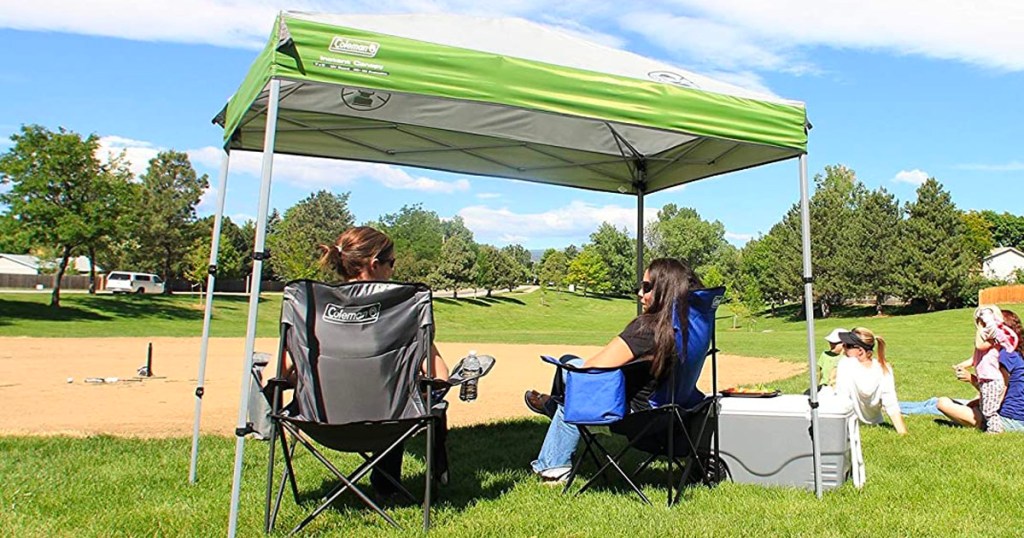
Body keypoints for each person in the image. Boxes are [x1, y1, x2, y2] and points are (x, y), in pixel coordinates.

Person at [281, 226, 451, 498]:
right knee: (404, 392)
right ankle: (391, 482)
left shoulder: (310, 307)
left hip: (319, 422)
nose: (393, 271)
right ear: (374, 264)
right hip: (390, 425)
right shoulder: (401, 309)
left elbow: (273, 376)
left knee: (394, 389)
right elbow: (439, 376)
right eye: (391, 263)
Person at [524, 258, 702, 483]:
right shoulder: (690, 329)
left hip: (634, 417)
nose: (639, 293)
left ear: (665, 291)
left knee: (571, 371)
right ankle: (555, 404)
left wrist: (569, 376)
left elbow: (590, 369)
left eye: (647, 287)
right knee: (571, 367)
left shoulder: (648, 329)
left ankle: (553, 465)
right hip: (674, 414)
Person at [934, 309, 1024, 433]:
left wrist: (971, 379)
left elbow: (998, 394)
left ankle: (985, 426)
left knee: (942, 403)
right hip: (1010, 415)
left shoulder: (1005, 356)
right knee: (963, 403)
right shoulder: (1012, 353)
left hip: (1008, 420)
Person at [832, 327, 908, 435]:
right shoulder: (884, 367)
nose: (843, 348)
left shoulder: (846, 364)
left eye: (847, 346)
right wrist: (902, 432)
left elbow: (841, 398)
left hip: (851, 422)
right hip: (876, 421)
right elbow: (891, 403)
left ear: (860, 351)